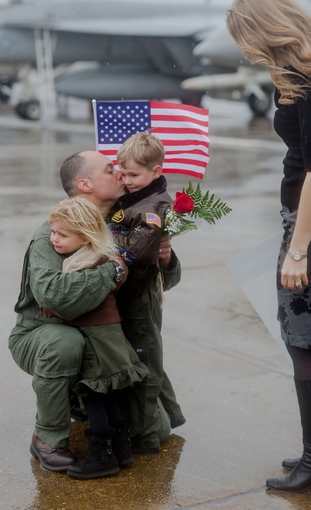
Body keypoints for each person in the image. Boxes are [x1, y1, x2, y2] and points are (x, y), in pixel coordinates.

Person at [9, 150, 180, 473]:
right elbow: (54, 297)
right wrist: (112, 271)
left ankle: (84, 400)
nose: (120, 173)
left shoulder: (127, 222)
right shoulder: (54, 232)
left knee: (156, 429)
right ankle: (47, 436)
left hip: (103, 334)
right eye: (109, 169)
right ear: (85, 184)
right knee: (66, 345)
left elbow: (161, 285)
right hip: (42, 334)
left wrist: (165, 259)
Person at [227, 0, 311, 492]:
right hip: (298, 218)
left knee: (301, 339)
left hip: (305, 224)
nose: (243, 50)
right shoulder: (293, 75)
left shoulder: (303, 78)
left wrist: (298, 248)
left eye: (244, 38)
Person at [43, 196, 149, 479]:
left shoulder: (84, 264)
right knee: (110, 395)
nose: (53, 239)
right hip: (111, 335)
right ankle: (121, 451)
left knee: (93, 397)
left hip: (95, 339)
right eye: (53, 232)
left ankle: (101, 457)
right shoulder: (105, 255)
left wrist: (49, 309)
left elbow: (68, 302)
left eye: (62, 234)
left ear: (86, 237)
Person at [109, 132, 186, 453]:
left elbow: (142, 258)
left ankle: (146, 436)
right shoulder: (132, 199)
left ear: (156, 172)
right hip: (130, 294)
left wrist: (166, 259)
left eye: (134, 175)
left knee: (146, 360)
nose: (126, 181)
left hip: (142, 297)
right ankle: (170, 414)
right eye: (122, 173)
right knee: (145, 356)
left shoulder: (152, 207)